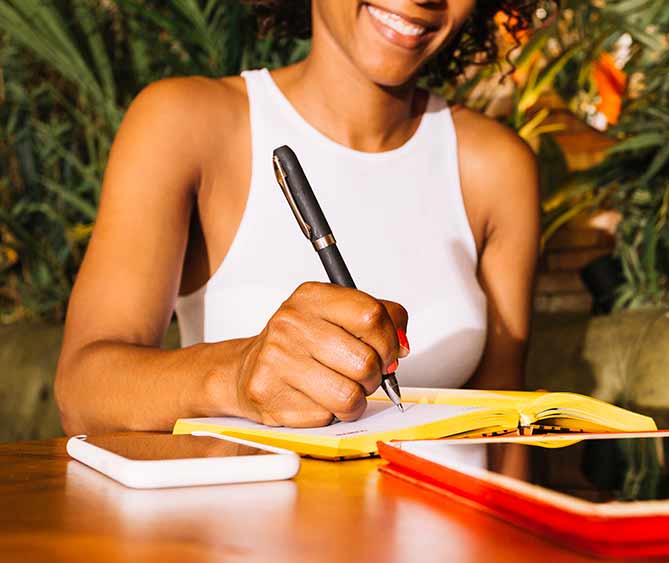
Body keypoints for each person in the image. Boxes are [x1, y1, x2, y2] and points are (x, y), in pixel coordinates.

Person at [54, 0, 541, 434]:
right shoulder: (186, 123)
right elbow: (81, 393)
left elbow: (504, 434)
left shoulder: (497, 169)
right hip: (238, 532)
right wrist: (238, 373)